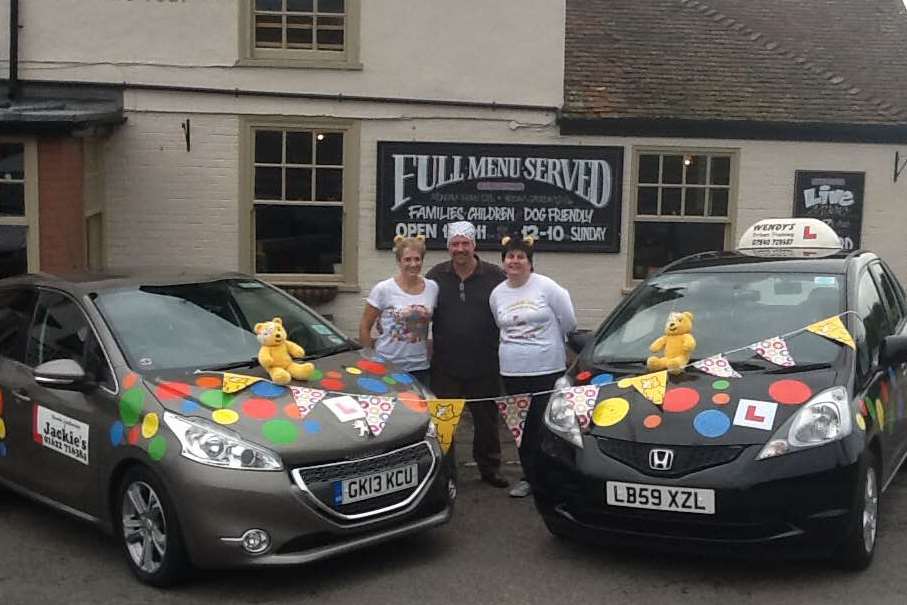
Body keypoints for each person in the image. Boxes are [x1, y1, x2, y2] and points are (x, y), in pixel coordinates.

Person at [489, 235, 577, 498]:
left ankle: (553, 478)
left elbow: (568, 321)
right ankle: (529, 477)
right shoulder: (497, 293)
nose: (514, 261)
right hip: (513, 370)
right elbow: (499, 325)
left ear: (530, 262)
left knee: (547, 425)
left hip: (546, 368)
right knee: (522, 428)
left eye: (520, 256)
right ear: (503, 262)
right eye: (510, 256)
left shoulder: (547, 287)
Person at [426, 221, 509, 488]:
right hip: (445, 362)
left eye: (465, 243)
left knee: (486, 420)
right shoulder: (435, 276)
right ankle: (446, 470)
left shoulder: (495, 276)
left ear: (474, 245)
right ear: (448, 246)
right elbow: (421, 309)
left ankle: (490, 468)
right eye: (455, 244)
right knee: (445, 420)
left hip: (485, 361)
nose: (460, 249)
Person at [359, 235, 438, 385]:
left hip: (420, 367)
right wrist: (369, 359)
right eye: (407, 259)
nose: (413, 264)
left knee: (418, 408)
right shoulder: (384, 289)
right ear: (399, 261)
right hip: (388, 365)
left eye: (417, 259)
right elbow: (364, 326)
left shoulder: (432, 288)